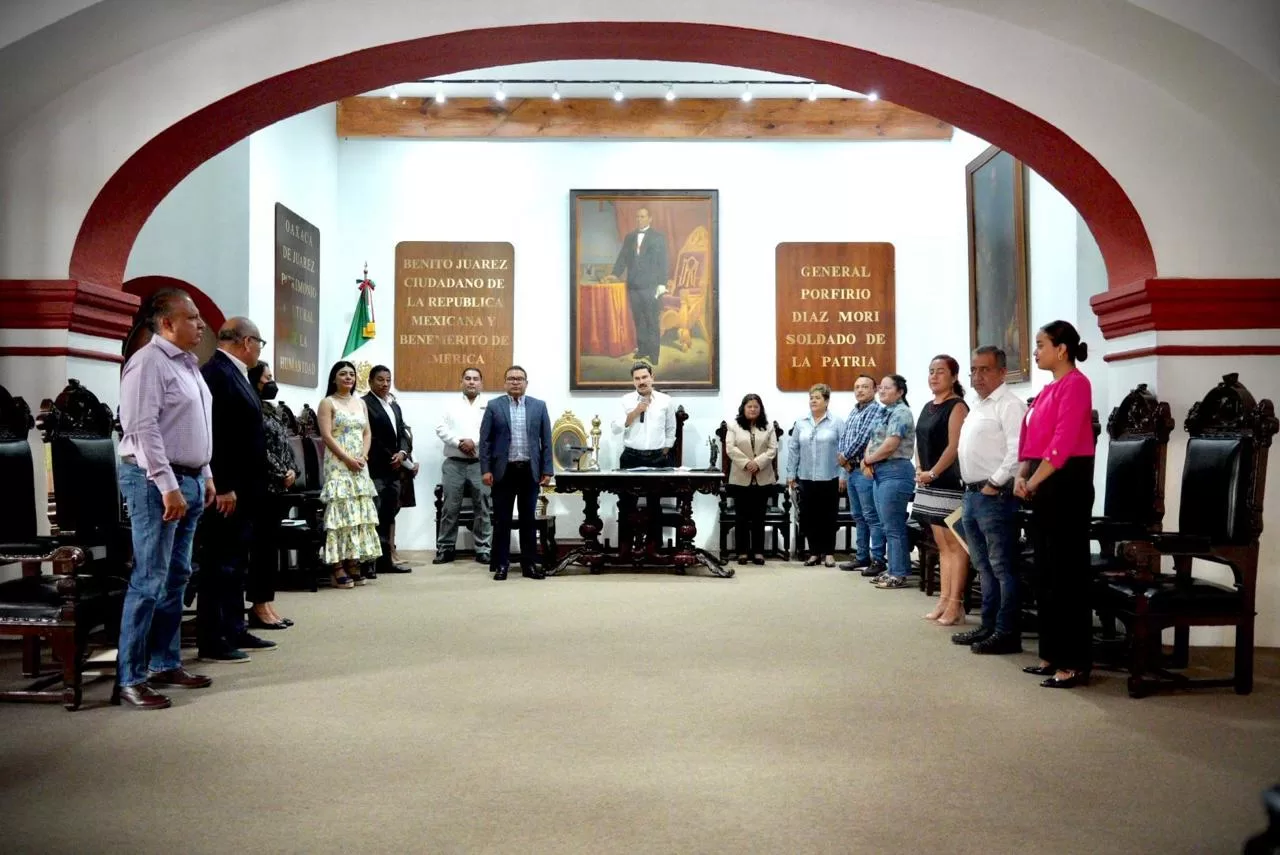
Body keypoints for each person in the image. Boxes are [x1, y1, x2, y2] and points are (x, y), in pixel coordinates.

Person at [113, 289, 216, 709]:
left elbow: (194, 424)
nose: (201, 324)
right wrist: (167, 484)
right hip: (155, 482)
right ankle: (131, 678)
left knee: (177, 576)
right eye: (192, 317)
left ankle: (164, 662)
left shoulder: (188, 364)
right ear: (167, 324)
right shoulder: (148, 362)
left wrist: (205, 474)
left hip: (188, 479)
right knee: (150, 578)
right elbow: (142, 429)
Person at [1015, 320, 1096, 688]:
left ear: (1062, 349)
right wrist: (1022, 473)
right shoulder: (1048, 389)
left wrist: (1032, 481)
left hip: (1067, 485)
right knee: (1045, 574)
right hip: (1043, 483)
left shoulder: (1076, 384)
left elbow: (1062, 443)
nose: (1035, 352)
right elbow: (1030, 437)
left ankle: (1075, 662)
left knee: (1067, 576)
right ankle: (1051, 655)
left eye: (1040, 344)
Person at [198, 317, 275, 662]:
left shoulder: (235, 372)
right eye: (260, 343)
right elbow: (217, 434)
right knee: (221, 563)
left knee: (237, 562)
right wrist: (224, 484)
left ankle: (234, 627)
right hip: (229, 488)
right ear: (247, 342)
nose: (259, 350)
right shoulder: (217, 373)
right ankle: (214, 637)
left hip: (246, 486)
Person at [951, 345, 1028, 654]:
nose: (977, 376)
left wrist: (994, 483)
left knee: (1001, 566)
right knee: (982, 565)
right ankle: (988, 625)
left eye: (985, 369)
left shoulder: (1009, 405)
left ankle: (1007, 632)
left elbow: (1018, 451)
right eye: (974, 370)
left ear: (1002, 372)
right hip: (972, 494)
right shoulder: (977, 405)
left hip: (994, 495)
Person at [479, 365, 553, 581]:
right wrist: (486, 470)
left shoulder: (539, 406)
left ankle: (529, 565)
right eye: (511, 378)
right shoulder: (494, 406)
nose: (515, 382)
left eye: (519, 379)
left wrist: (547, 469)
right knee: (502, 520)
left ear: (526, 383)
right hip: (503, 472)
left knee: (528, 519)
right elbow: (485, 441)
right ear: (505, 383)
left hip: (529, 471)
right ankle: (501, 564)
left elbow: (546, 440)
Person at [911, 356, 970, 625]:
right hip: (928, 482)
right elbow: (920, 441)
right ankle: (944, 600)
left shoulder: (957, 406)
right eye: (931, 371)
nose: (934, 376)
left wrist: (933, 472)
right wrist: (919, 468)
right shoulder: (927, 406)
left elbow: (954, 446)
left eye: (940, 372)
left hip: (948, 482)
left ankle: (956, 604)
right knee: (942, 546)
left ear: (954, 377)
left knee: (955, 546)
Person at [317, 361, 382, 588]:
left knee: (358, 512)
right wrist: (347, 459)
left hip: (360, 464)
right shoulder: (328, 402)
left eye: (351, 374)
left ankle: (353, 561)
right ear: (334, 378)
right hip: (339, 463)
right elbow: (326, 436)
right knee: (341, 513)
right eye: (343, 374)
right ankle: (337, 567)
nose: (348, 378)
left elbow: (367, 433)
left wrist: (363, 456)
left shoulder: (360, 402)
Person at [246, 360, 297, 631]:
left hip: (278, 487)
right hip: (262, 486)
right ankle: (258, 606)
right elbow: (259, 448)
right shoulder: (251, 407)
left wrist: (293, 470)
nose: (271, 382)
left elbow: (284, 445)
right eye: (267, 377)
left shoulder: (271, 410)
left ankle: (266, 603)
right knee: (261, 550)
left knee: (269, 550)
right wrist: (279, 472)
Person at [611, 360, 678, 554]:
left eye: (644, 377)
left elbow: (671, 429)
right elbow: (615, 428)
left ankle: (654, 547)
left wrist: (665, 450)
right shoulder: (625, 400)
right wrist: (635, 412)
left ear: (652, 377)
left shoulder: (665, 400)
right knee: (626, 504)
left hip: (657, 458)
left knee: (654, 504)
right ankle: (625, 548)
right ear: (633, 381)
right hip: (631, 457)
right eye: (637, 378)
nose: (641, 381)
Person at [862, 375, 916, 588]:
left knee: (893, 526)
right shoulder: (884, 411)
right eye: (880, 387)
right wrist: (867, 459)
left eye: (887, 388)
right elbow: (873, 440)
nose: (881, 391)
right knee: (886, 525)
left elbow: (891, 444)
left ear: (900, 391)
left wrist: (869, 460)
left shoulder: (902, 412)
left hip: (896, 471)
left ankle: (898, 573)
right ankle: (893, 568)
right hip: (880, 471)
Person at [434, 366, 492, 565]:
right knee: (450, 508)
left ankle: (483, 549)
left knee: (483, 508)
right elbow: (440, 428)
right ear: (461, 382)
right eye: (467, 378)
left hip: (480, 464)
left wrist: (473, 443)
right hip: (454, 464)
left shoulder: (489, 406)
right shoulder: (450, 405)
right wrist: (459, 442)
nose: (471, 382)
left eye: (475, 379)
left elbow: (491, 431)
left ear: (481, 383)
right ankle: (445, 548)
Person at [785, 383, 845, 568]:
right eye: (811, 398)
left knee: (828, 515)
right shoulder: (801, 422)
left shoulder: (837, 422)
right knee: (809, 516)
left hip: (830, 476)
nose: (813, 401)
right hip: (805, 476)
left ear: (826, 401)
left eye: (817, 398)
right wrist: (791, 473)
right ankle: (814, 552)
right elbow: (794, 449)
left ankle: (829, 553)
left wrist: (843, 475)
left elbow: (844, 450)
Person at [363, 364, 413, 576]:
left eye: (388, 380)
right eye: (380, 380)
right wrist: (390, 456)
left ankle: (385, 561)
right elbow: (370, 436)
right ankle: (369, 563)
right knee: (373, 515)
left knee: (388, 516)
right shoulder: (364, 404)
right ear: (370, 382)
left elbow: (402, 433)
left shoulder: (394, 406)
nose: (385, 384)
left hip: (394, 470)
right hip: (375, 468)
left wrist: (402, 453)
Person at [836, 374, 887, 576]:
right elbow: (844, 437)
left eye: (865, 387)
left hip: (866, 470)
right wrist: (842, 457)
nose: (860, 390)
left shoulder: (875, 410)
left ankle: (878, 559)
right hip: (851, 470)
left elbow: (864, 438)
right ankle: (862, 556)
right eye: (857, 387)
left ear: (874, 389)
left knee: (871, 516)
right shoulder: (854, 410)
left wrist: (844, 456)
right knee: (858, 516)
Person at [608, 207, 669, 365]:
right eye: (638, 217)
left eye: (643, 216)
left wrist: (662, 283)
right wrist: (615, 273)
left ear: (650, 218)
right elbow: (622, 258)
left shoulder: (658, 238)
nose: (640, 219)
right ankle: (643, 350)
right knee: (639, 320)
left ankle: (654, 355)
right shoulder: (629, 237)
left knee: (652, 321)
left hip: (651, 286)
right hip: (634, 285)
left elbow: (663, 262)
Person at [724, 393, 779, 566]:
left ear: (760, 409)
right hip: (741, 477)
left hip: (763, 477)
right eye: (749, 406)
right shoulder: (733, 426)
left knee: (759, 516)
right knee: (741, 516)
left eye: (756, 406)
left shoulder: (768, 426)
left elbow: (772, 449)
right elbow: (730, 448)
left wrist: (758, 463)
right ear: (743, 408)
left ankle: (758, 552)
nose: (753, 409)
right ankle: (742, 551)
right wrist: (747, 463)